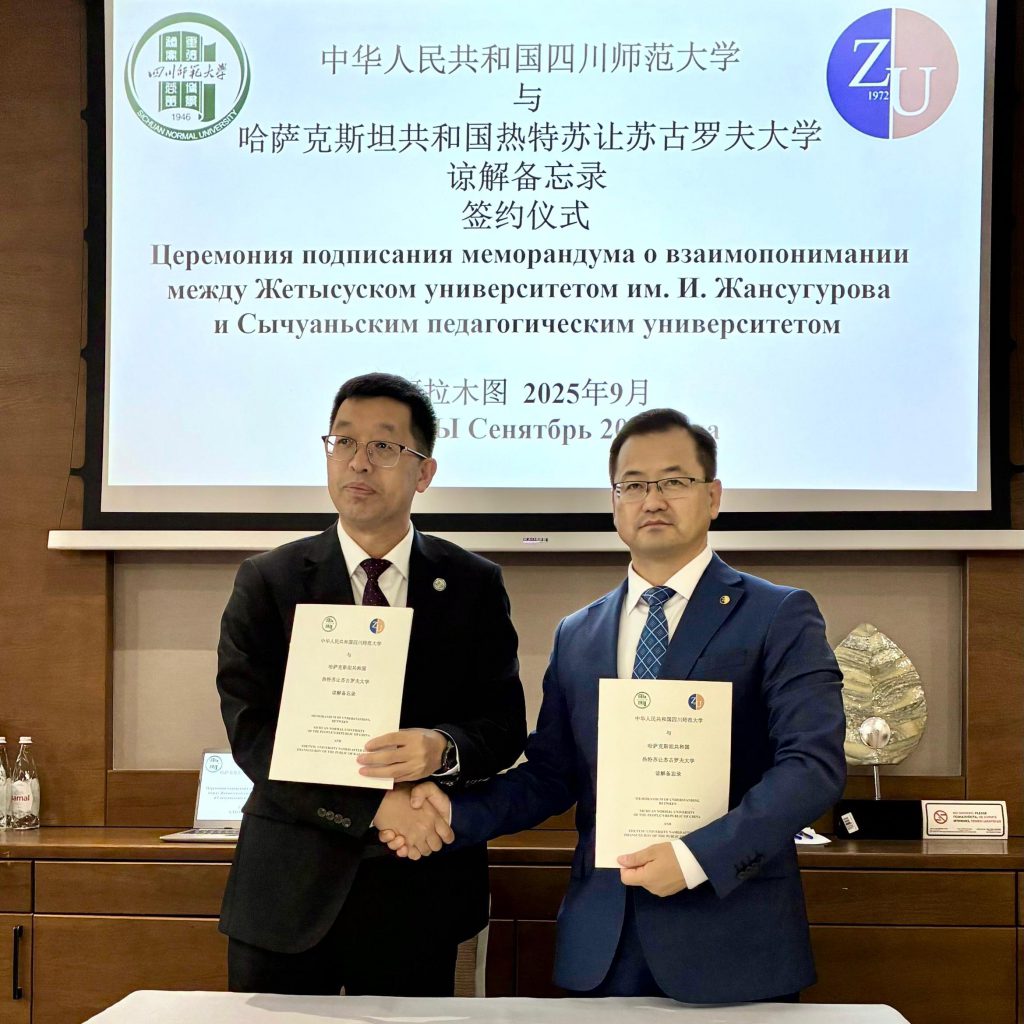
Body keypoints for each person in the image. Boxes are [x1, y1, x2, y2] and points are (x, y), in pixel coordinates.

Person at [384, 409, 846, 1003]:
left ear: (713, 496)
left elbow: (812, 765)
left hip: (730, 938)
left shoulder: (778, 614)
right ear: (614, 503)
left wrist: (696, 858)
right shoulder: (579, 633)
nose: (652, 499)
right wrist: (449, 810)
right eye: (633, 484)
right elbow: (552, 775)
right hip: (602, 943)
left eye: (674, 481)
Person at [216, 372, 526, 996]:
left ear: (424, 471)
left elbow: (502, 724)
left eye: (384, 446)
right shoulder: (269, 581)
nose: (359, 461)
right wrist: (374, 805)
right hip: (289, 892)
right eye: (343, 442)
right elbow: (254, 735)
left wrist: (443, 747)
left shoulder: (472, 584)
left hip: (418, 886)